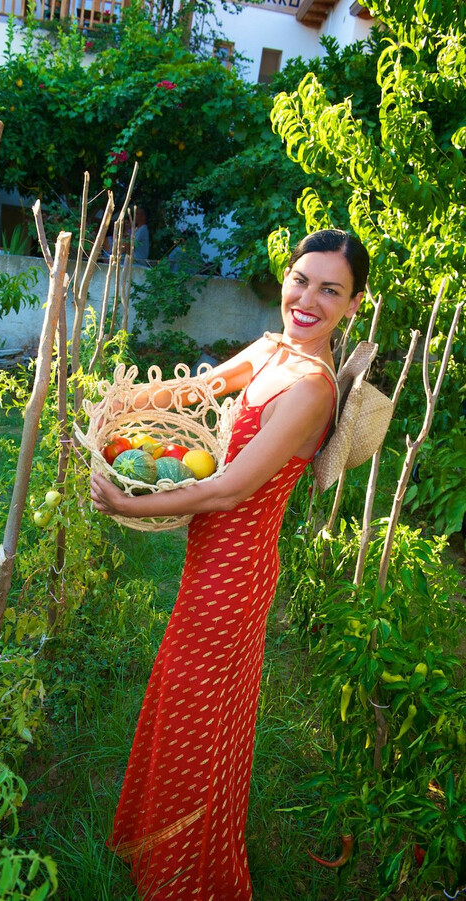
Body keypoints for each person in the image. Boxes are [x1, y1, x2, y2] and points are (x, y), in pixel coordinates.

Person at [90, 229, 368, 900]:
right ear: (287, 278)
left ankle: (187, 880)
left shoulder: (312, 388)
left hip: (234, 573)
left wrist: (130, 501)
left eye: (331, 290)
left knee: (198, 718)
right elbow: (201, 388)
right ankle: (168, 852)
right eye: (301, 279)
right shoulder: (274, 350)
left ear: (354, 305)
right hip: (208, 558)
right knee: (189, 706)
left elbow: (230, 487)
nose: (308, 299)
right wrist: (118, 406)